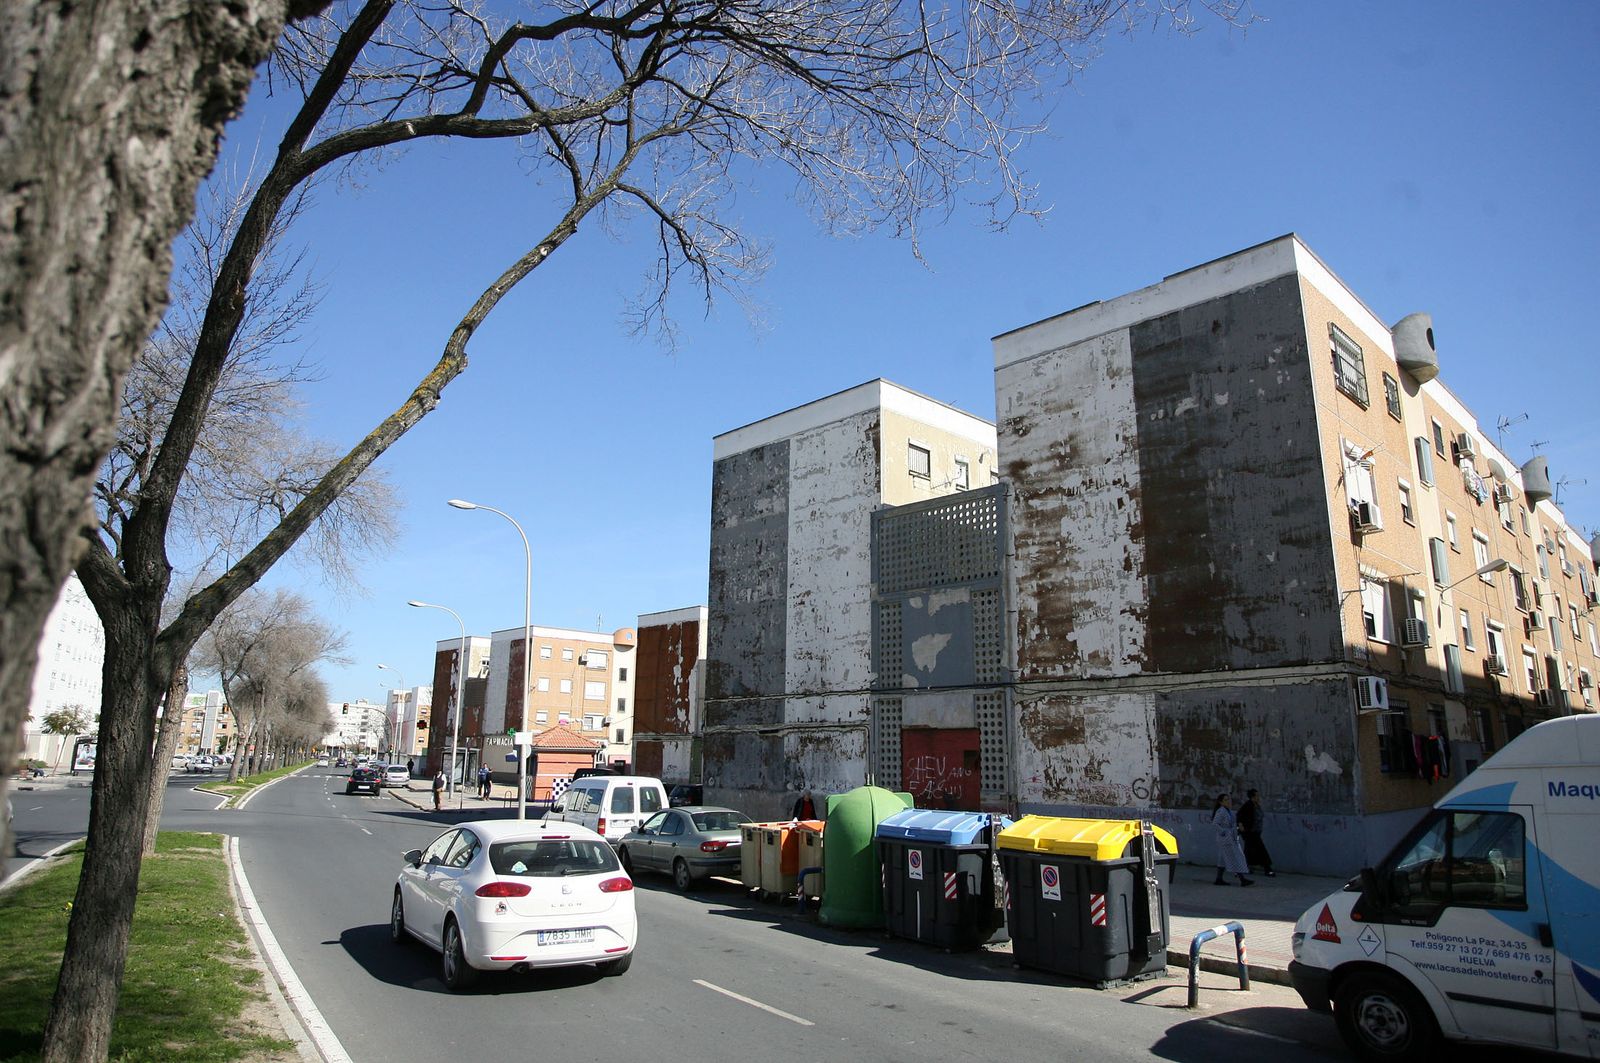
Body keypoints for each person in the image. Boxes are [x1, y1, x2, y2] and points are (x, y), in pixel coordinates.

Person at [1211, 793, 1254, 886]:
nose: (1228, 801)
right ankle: (1242, 879)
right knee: (1235, 857)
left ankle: (1219, 879)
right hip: (1226, 838)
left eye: (1229, 799)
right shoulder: (1221, 811)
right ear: (1221, 802)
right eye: (1226, 800)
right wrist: (1224, 832)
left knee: (1222, 859)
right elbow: (1215, 824)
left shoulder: (1229, 811)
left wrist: (1238, 827)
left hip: (1230, 837)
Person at [1236, 788, 1276, 877]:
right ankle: (1267, 869)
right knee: (1261, 849)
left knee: (1249, 850)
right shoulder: (1248, 805)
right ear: (1252, 797)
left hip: (1255, 832)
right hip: (1250, 832)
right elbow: (1239, 814)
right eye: (1257, 795)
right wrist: (1240, 825)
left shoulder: (1256, 805)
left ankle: (1245, 867)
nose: (1259, 797)